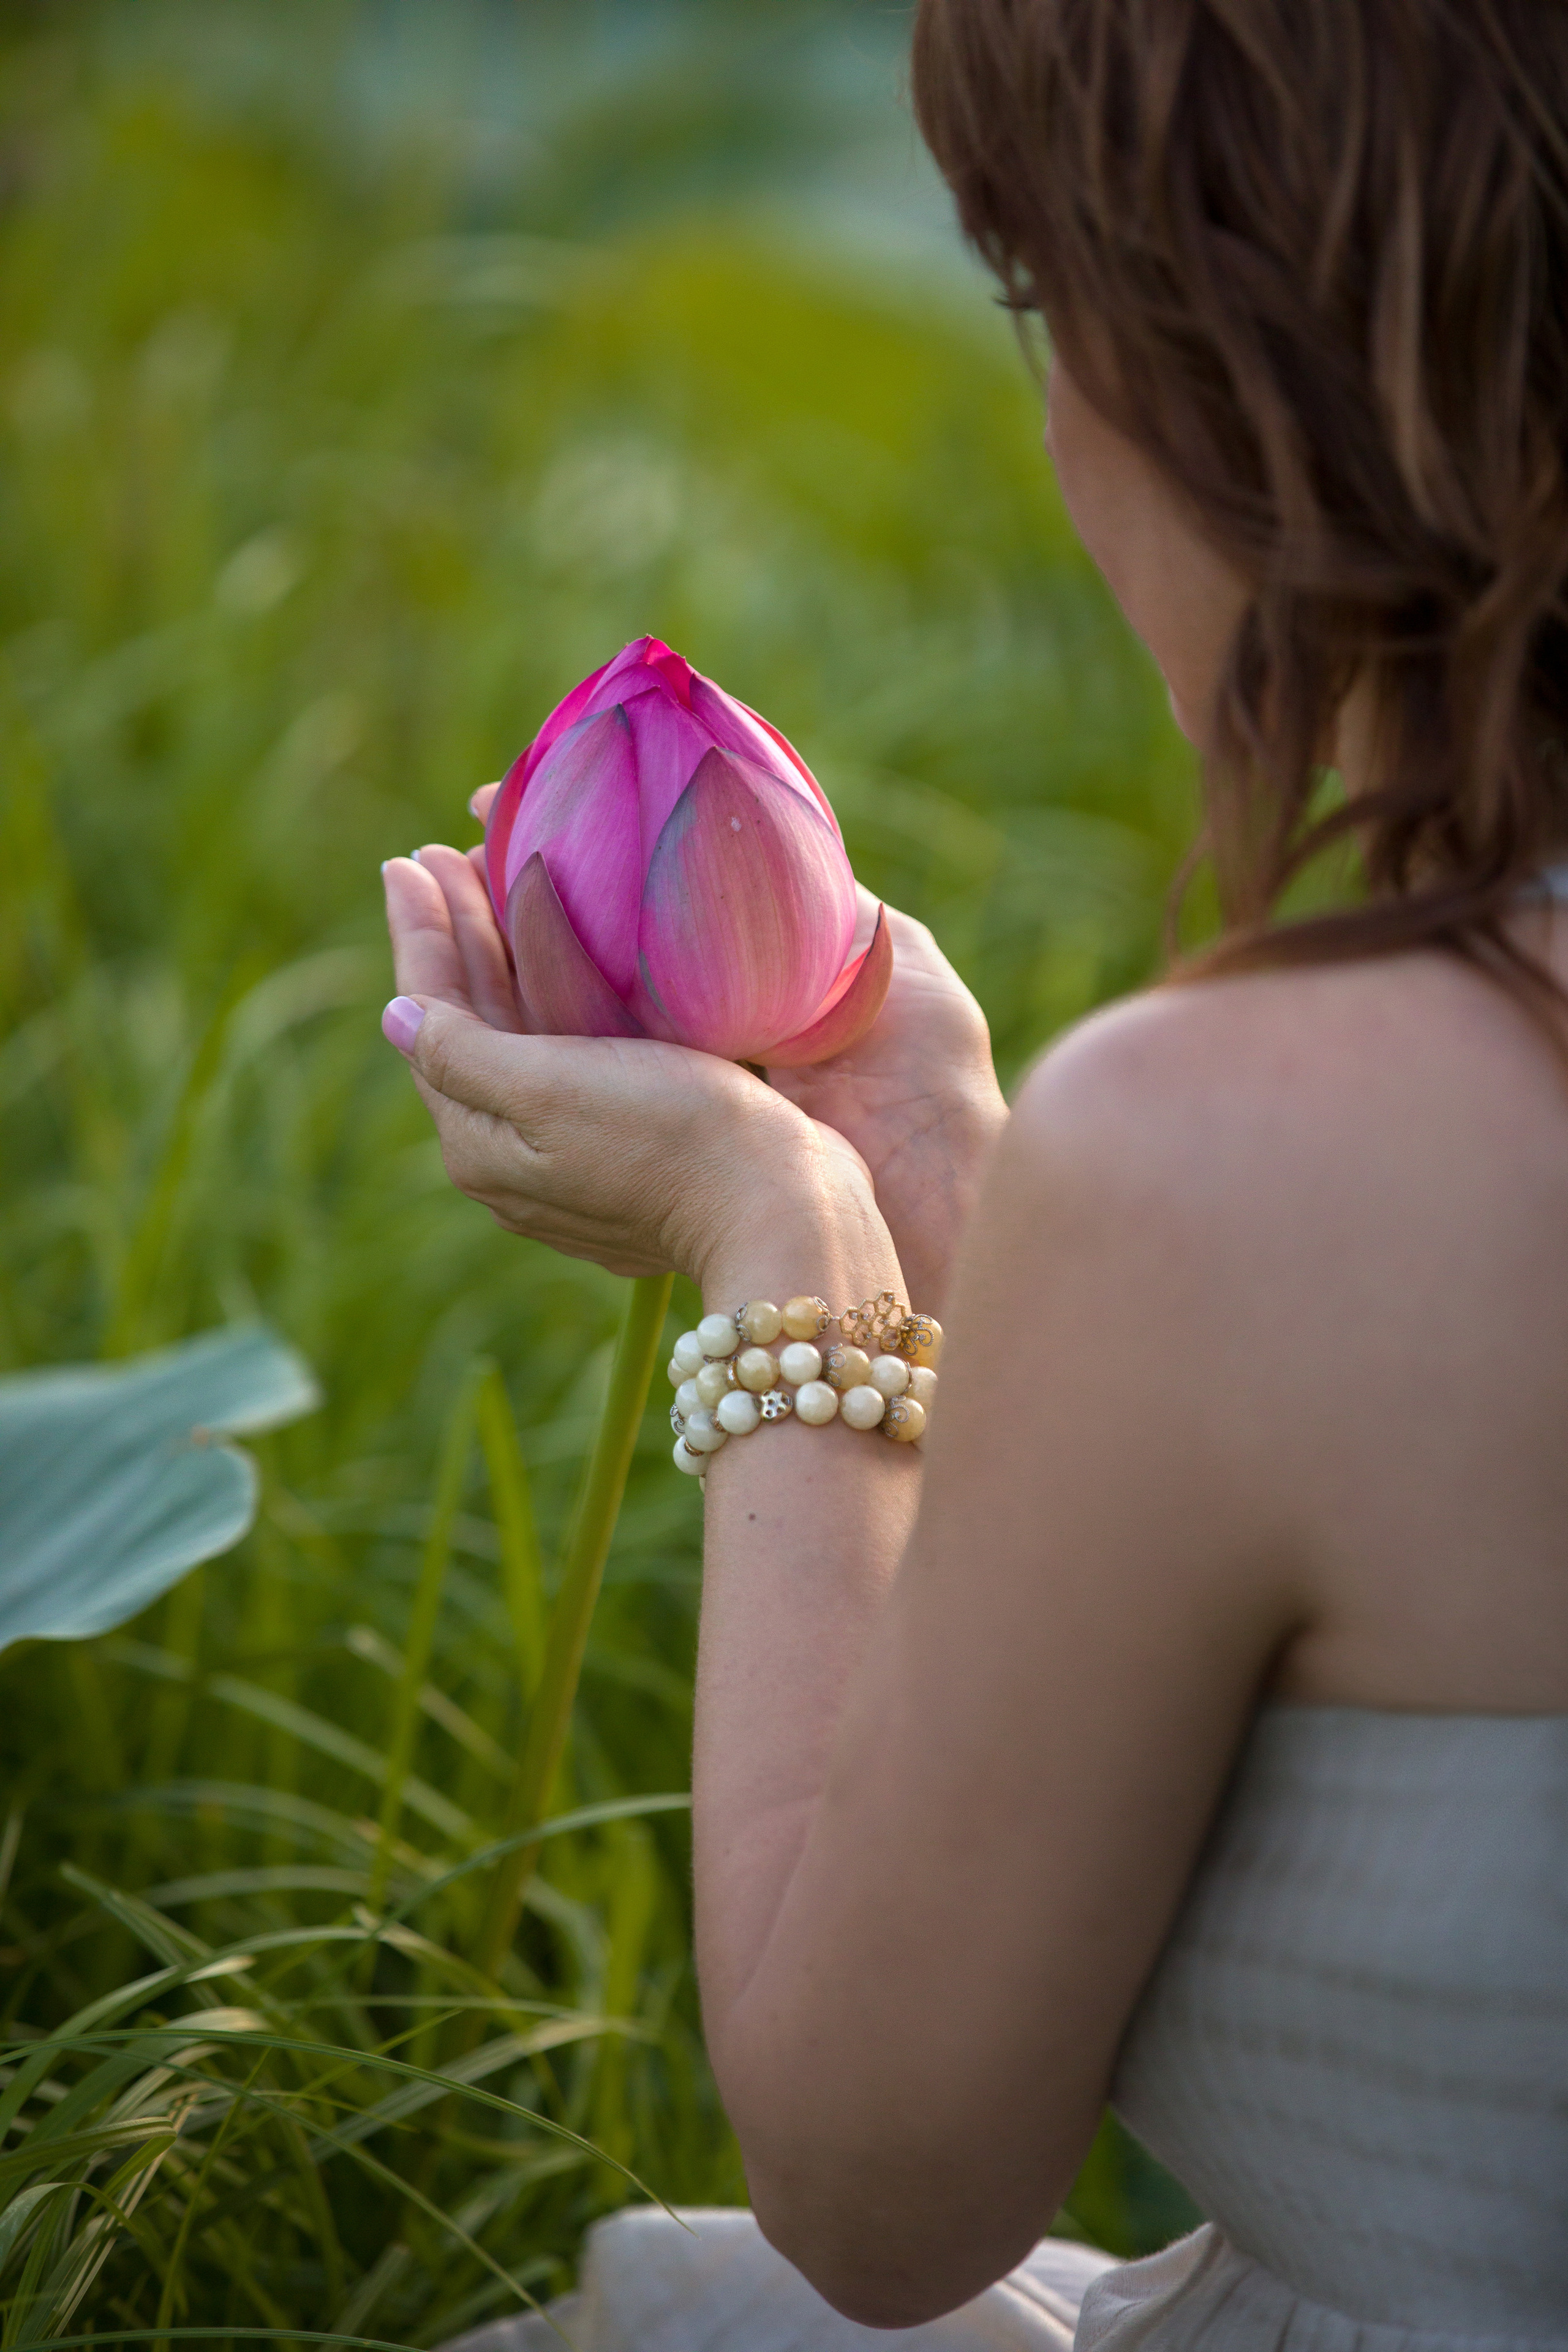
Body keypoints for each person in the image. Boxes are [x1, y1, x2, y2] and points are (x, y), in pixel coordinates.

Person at [382, 2, 1568, 2345]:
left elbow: (876, 2192)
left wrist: (781, 1251)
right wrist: (962, 1185)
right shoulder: (1227, 1195)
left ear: (1238, 369)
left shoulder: (1250, 1159)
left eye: (1048, 305)